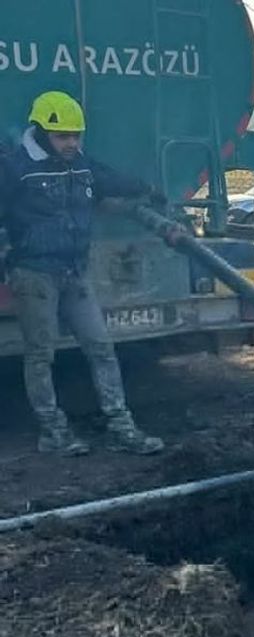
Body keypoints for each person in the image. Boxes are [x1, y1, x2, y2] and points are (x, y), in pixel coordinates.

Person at [0, 91, 164, 456]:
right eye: (63, 136)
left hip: (74, 273)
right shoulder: (15, 170)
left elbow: (111, 180)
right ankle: (53, 433)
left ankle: (122, 425)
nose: (71, 143)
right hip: (34, 275)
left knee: (101, 348)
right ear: (41, 133)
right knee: (41, 354)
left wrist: (148, 190)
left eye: (76, 135)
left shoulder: (83, 165)